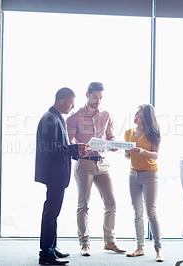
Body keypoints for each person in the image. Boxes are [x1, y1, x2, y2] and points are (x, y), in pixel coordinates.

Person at [66, 81, 126, 256]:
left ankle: (110, 242)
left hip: (102, 163)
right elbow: (67, 144)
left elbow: (110, 136)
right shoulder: (74, 117)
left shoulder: (106, 115)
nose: (98, 101)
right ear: (87, 95)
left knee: (111, 203)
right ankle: (84, 244)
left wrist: (114, 144)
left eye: (100, 98)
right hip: (84, 163)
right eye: (94, 97)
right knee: (83, 204)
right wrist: (79, 147)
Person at [35, 87, 88, 265]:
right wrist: (75, 149)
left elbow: (59, 146)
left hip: (56, 173)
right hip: (54, 173)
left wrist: (76, 150)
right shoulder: (50, 119)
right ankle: (46, 254)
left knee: (53, 212)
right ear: (62, 101)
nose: (72, 108)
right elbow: (52, 149)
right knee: (51, 213)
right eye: (71, 104)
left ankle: (52, 247)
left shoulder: (55, 117)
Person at [124, 104, 164, 262]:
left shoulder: (153, 134)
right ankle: (139, 247)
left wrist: (142, 151)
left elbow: (155, 155)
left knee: (151, 212)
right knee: (137, 213)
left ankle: (158, 249)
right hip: (133, 174)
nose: (137, 117)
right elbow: (128, 156)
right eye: (136, 114)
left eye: (141, 116)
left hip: (149, 174)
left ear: (147, 118)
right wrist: (127, 153)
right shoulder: (128, 133)